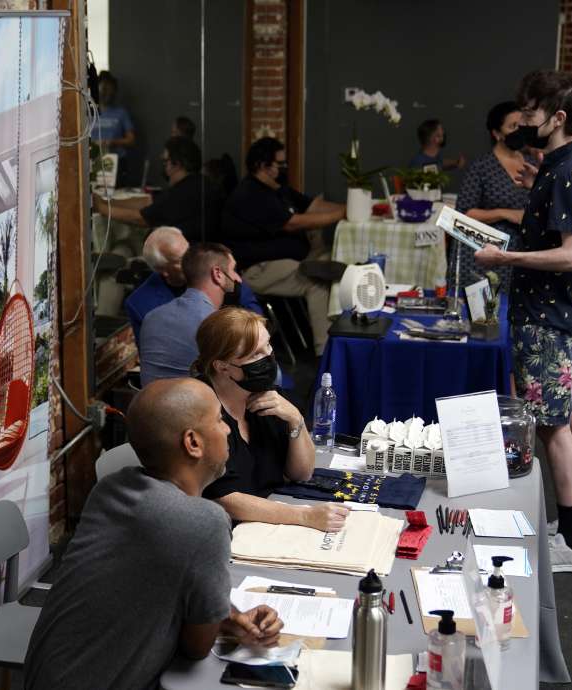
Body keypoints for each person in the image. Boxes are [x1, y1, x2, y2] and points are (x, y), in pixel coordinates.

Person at [23, 378, 284, 690]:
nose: (228, 429)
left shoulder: (111, 488)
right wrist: (215, 616)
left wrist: (228, 615)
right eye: (219, 420)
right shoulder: (204, 521)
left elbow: (153, 580)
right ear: (193, 443)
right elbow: (196, 647)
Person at [475, 70, 572, 573]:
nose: (523, 122)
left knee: (552, 429)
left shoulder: (568, 170)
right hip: (559, 313)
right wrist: (537, 190)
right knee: (570, 416)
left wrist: (505, 259)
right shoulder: (565, 164)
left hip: (547, 316)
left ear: (558, 117)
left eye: (530, 114)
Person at [192, 308, 349, 532]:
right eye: (255, 354)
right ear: (222, 366)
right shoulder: (202, 412)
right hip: (224, 533)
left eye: (269, 345)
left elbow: (302, 473)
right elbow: (223, 498)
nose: (268, 357)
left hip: (269, 521)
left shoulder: (266, 395)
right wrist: (305, 516)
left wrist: (296, 419)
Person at [220, 137, 342, 355]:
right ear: (261, 165)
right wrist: (342, 214)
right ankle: (325, 353)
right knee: (318, 282)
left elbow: (313, 205)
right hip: (259, 269)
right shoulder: (250, 194)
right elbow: (292, 223)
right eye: (280, 163)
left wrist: (353, 207)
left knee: (336, 262)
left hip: (292, 259)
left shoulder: (278, 189)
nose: (285, 168)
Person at [124, 227, 263, 340]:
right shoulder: (140, 304)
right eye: (180, 260)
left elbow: (256, 317)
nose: (191, 260)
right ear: (163, 270)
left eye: (189, 251)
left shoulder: (213, 265)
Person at [138, 243, 244, 386]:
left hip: (150, 405)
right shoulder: (218, 325)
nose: (238, 278)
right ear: (218, 274)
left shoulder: (151, 317)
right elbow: (263, 378)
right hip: (195, 406)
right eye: (233, 270)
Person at [455, 101, 531, 291]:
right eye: (512, 126)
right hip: (486, 252)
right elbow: (464, 214)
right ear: (497, 133)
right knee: (484, 315)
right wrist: (506, 214)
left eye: (521, 125)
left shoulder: (531, 164)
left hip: (523, 253)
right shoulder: (482, 166)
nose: (518, 131)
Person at [93, 136, 219, 241]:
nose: (164, 167)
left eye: (165, 162)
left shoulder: (185, 193)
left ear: (177, 164)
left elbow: (140, 218)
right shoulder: (194, 183)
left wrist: (102, 208)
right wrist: (106, 202)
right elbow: (148, 202)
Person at [93, 71, 137, 183]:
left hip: (116, 162)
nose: (108, 93)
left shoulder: (121, 113)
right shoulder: (88, 113)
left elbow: (131, 140)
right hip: (93, 161)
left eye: (111, 90)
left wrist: (112, 142)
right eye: (104, 89)